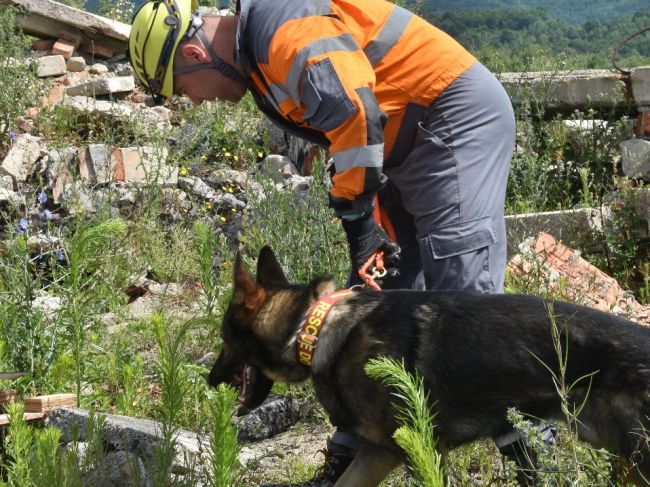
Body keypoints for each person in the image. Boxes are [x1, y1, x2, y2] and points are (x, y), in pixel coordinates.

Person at [128, 0, 520, 484]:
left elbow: (351, 107)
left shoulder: (280, 31)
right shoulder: (259, 60)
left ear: (193, 52)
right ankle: (347, 456)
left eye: (182, 89)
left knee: (464, 292)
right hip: (396, 140)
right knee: (379, 294)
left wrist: (358, 217)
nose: (194, 101)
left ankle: (530, 449)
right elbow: (349, 127)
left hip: (450, 113)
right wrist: (364, 222)